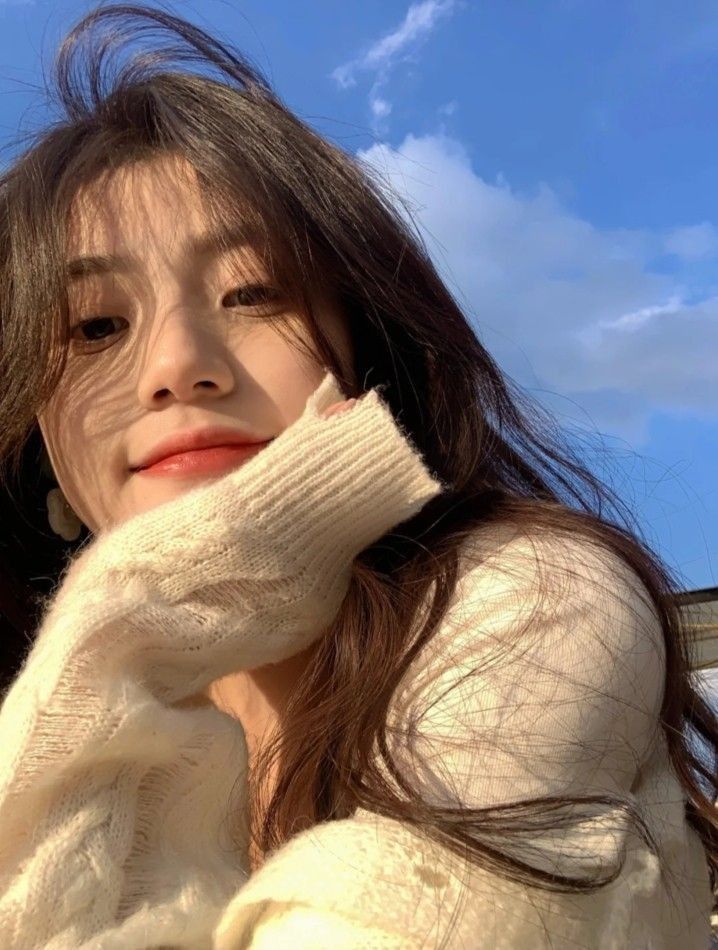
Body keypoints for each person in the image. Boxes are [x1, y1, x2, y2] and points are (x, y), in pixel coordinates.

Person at [0, 4, 715, 948]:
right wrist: (118, 625)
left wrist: (129, 603)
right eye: (95, 327)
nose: (176, 365)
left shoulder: (536, 599)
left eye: (254, 291)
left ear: (368, 347)